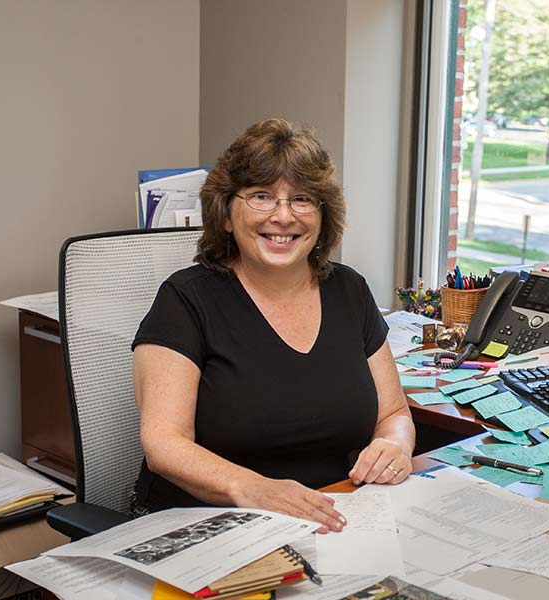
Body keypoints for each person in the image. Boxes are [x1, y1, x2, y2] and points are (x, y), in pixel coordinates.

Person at [131, 118, 415, 533]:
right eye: (262, 196)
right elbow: (164, 444)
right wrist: (256, 489)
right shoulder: (186, 299)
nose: (283, 216)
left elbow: (394, 412)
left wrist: (395, 445)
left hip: (333, 516)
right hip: (209, 524)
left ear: (321, 217)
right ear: (226, 214)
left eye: (301, 199)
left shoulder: (349, 290)